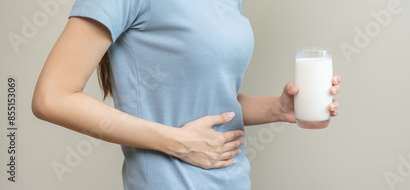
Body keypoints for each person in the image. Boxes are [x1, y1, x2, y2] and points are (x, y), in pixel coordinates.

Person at [31, 0, 341, 189]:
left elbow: (208, 98)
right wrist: (180, 143)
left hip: (233, 182)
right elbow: (52, 98)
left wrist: (278, 109)